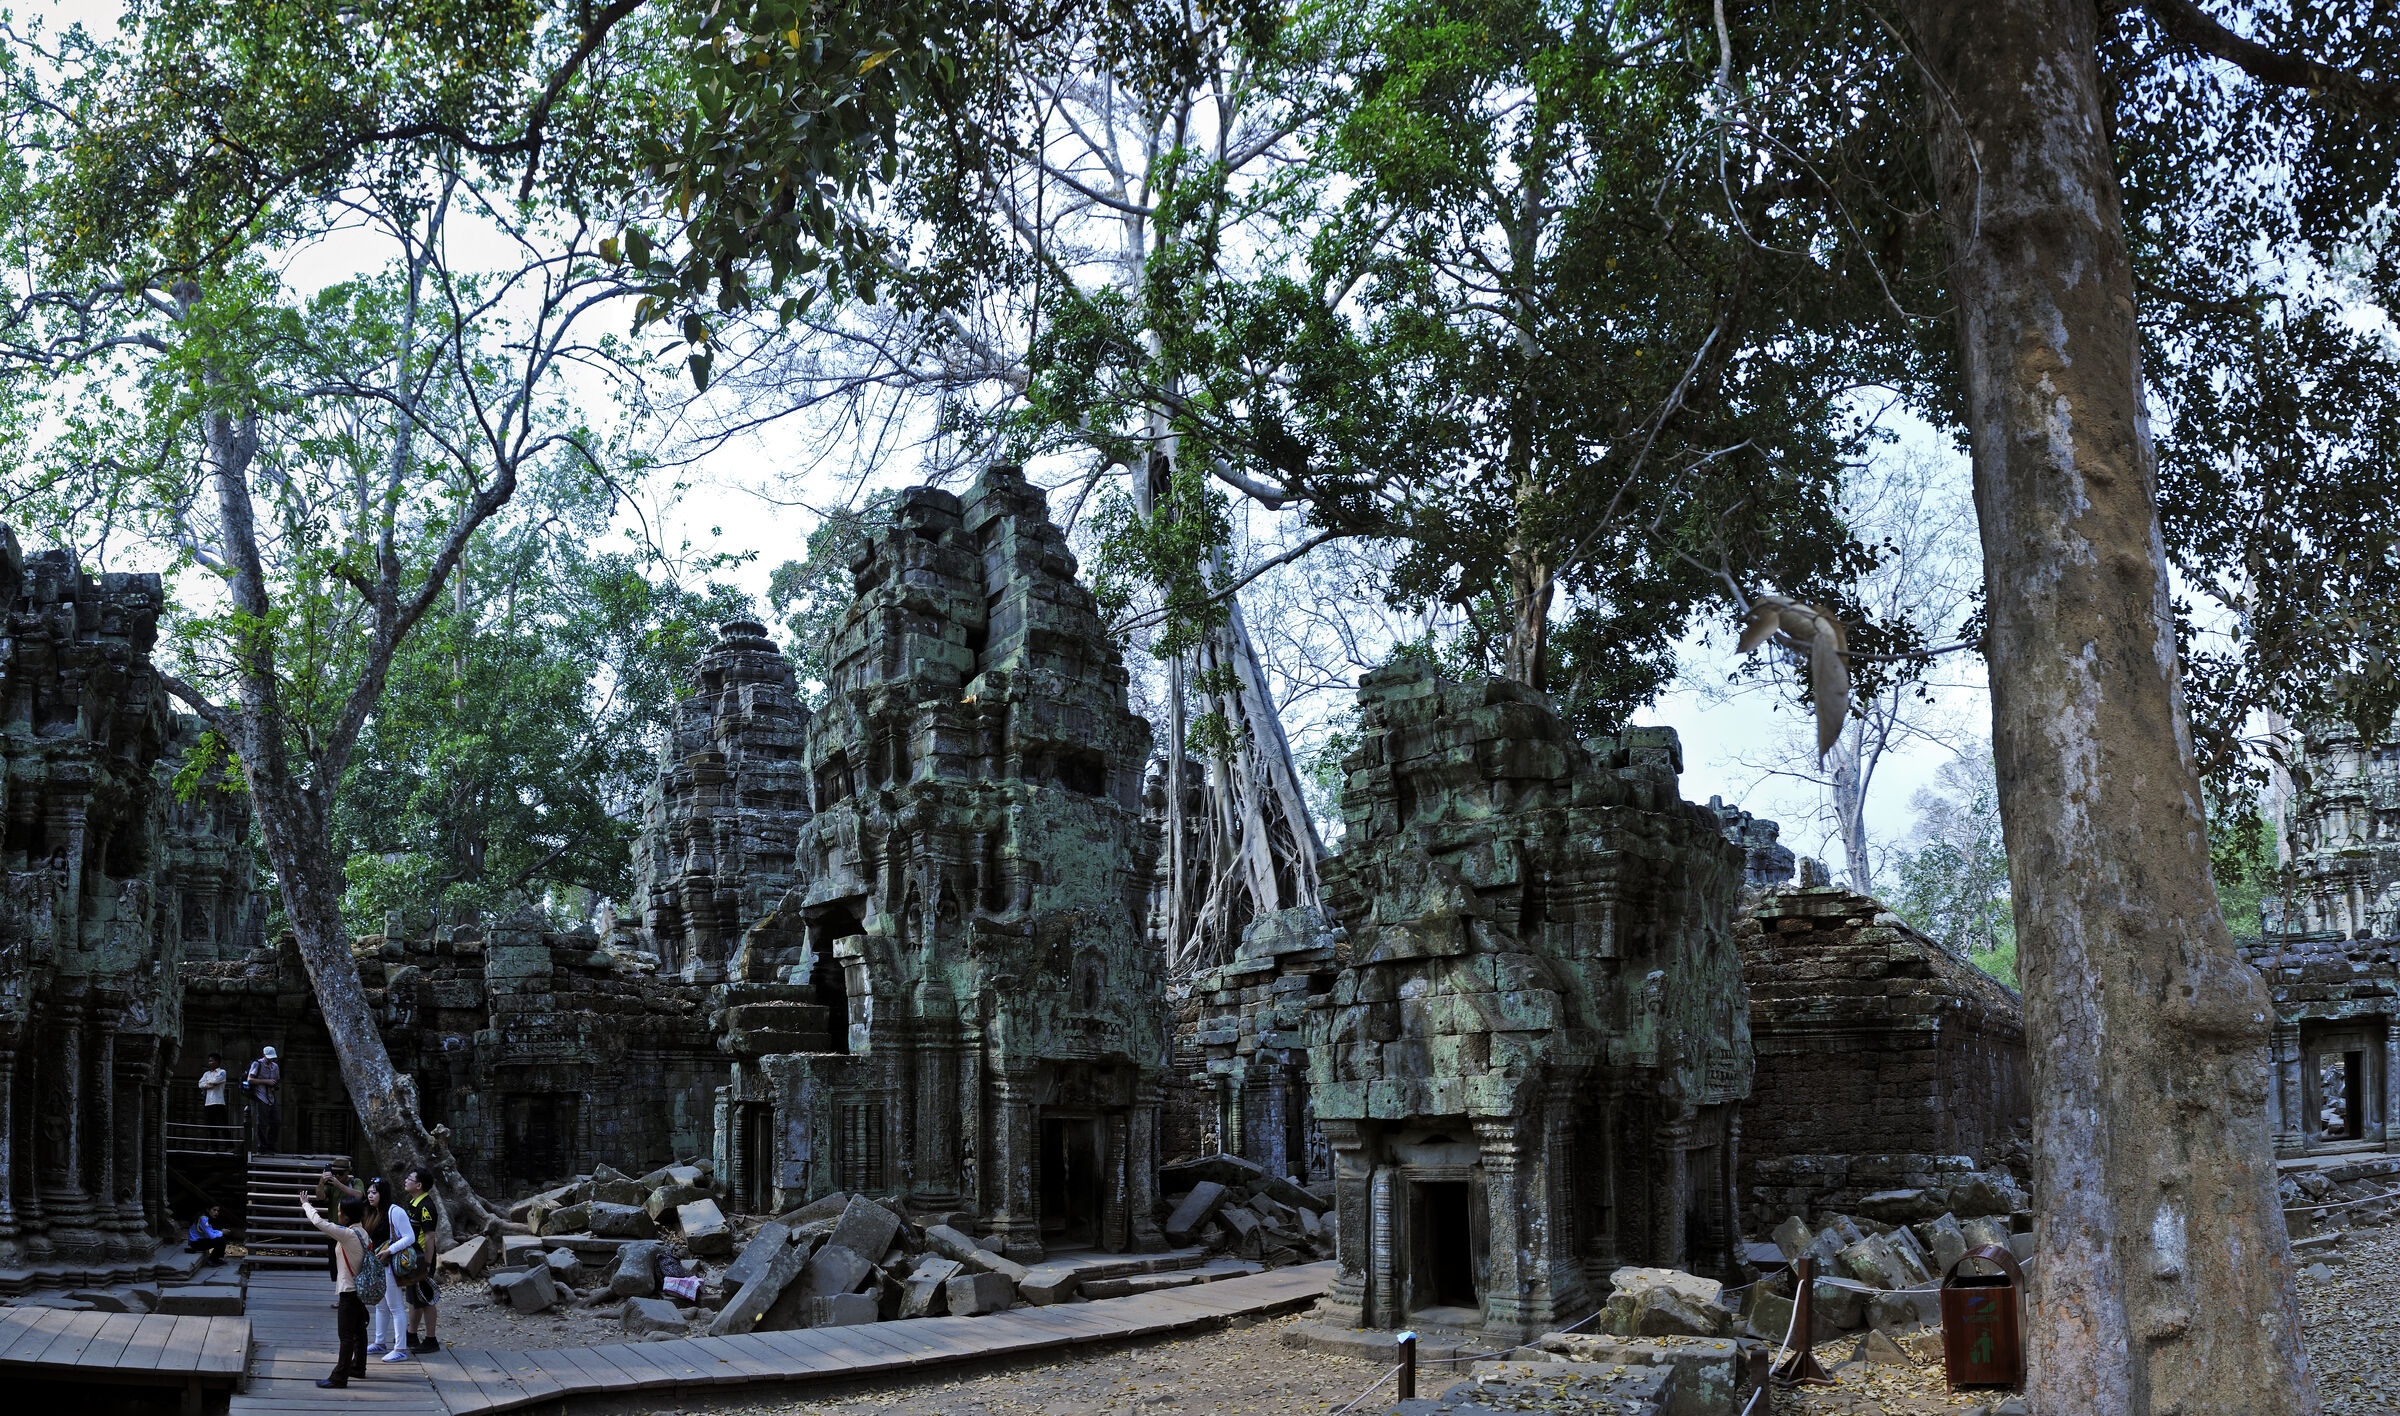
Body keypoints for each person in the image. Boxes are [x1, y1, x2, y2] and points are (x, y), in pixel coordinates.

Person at [300, 1193, 370, 1388]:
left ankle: (339, 1377)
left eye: (339, 1211)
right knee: (358, 1332)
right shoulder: (362, 1232)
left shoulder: (347, 1234)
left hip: (349, 1291)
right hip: (359, 1290)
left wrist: (306, 1205)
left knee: (346, 1335)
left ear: (346, 1216)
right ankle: (358, 1367)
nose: (337, 1214)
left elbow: (319, 1222)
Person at [399, 1167, 442, 1353]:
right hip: (413, 1257)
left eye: (410, 1178)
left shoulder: (426, 1207)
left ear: (419, 1185)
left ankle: (431, 1340)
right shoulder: (413, 1202)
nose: (406, 1180)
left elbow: (430, 1236)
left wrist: (428, 1263)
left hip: (422, 1258)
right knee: (414, 1298)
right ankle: (411, 1335)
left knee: (426, 1299)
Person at [244, 1045, 281, 1154]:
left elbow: (276, 1080)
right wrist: (266, 1081)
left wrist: (273, 1085)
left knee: (276, 1122)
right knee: (262, 1123)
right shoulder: (258, 1064)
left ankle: (271, 1145)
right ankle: (262, 1147)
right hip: (260, 1096)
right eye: (269, 1057)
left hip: (271, 1096)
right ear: (264, 1055)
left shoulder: (275, 1066)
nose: (271, 1059)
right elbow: (250, 1079)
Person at [196, 1054, 229, 1127]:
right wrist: (210, 1085)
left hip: (219, 1102)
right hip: (208, 1103)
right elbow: (200, 1084)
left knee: (223, 1124)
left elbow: (215, 1081)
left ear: (217, 1062)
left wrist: (208, 1082)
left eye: (211, 1061)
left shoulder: (222, 1072)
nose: (209, 1063)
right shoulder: (206, 1074)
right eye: (209, 1061)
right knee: (210, 1125)